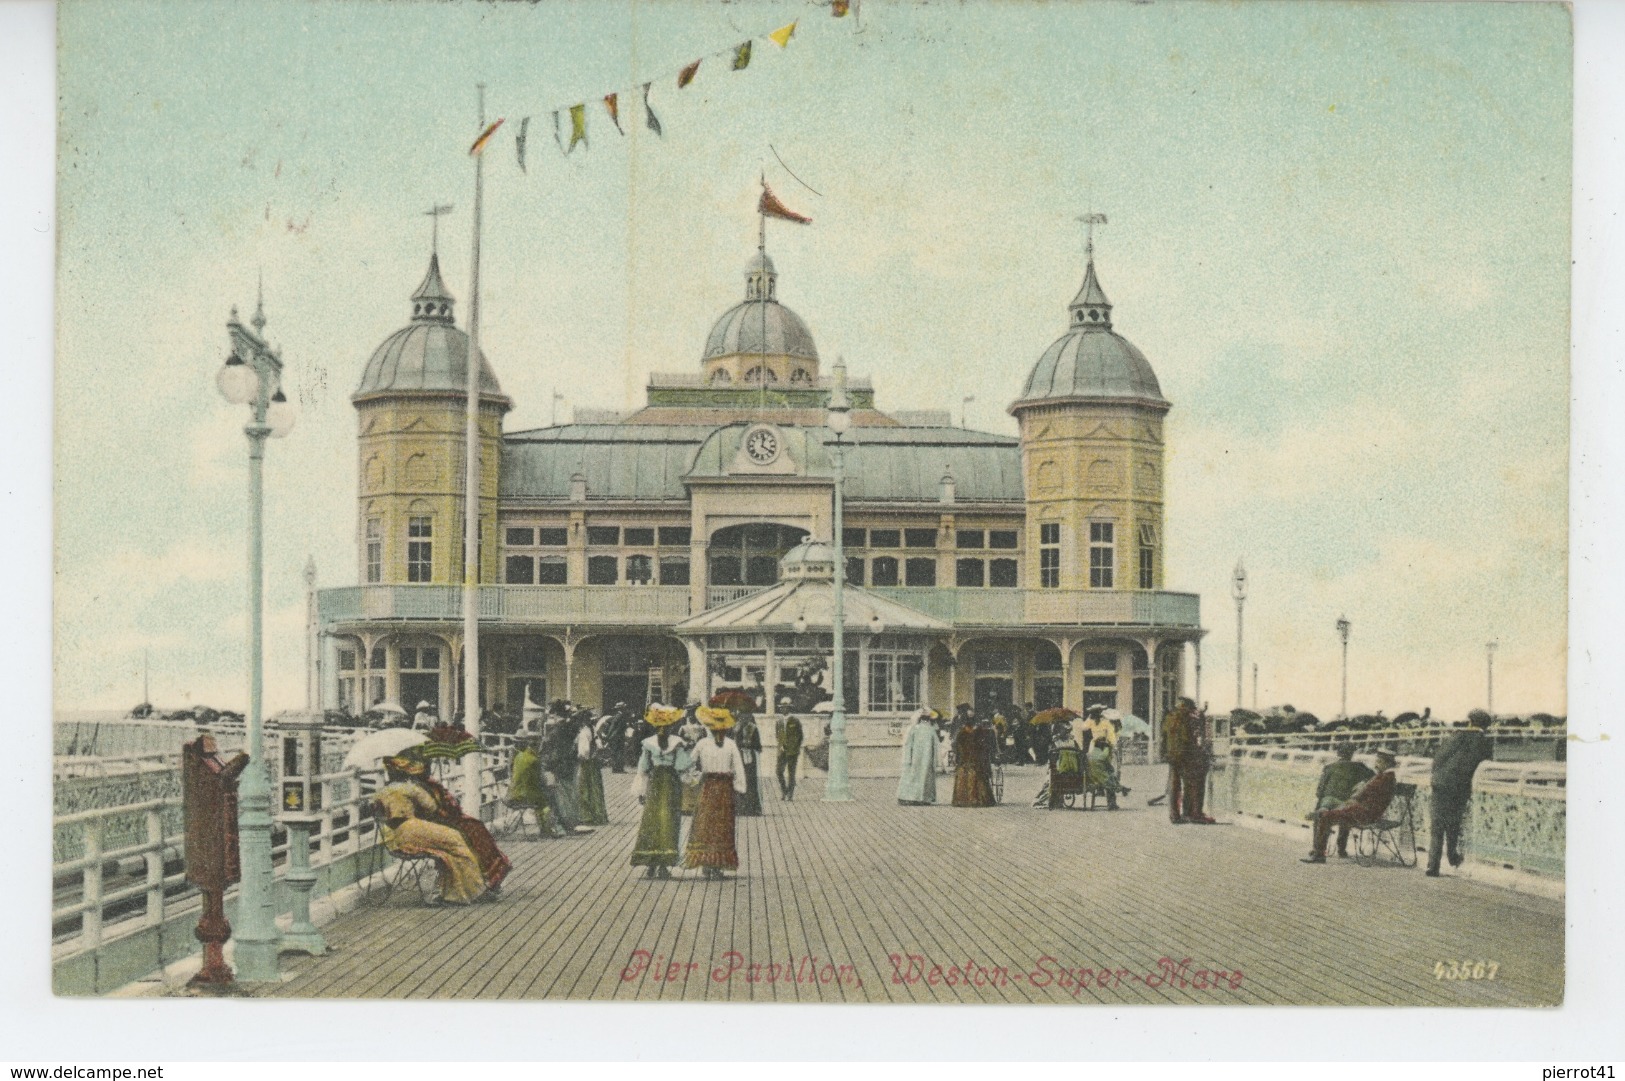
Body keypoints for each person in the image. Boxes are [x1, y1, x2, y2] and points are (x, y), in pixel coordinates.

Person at [388, 752, 512, 891]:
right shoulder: (412, 788)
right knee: (472, 830)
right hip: (432, 824)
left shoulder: (423, 785)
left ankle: (487, 879)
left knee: (475, 827)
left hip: (437, 820)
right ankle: (481, 881)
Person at [373, 765, 487, 905]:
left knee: (449, 846)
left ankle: (451, 890)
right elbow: (431, 807)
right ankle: (466, 890)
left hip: (394, 837)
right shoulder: (410, 787)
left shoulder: (381, 792)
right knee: (456, 840)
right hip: (411, 828)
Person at [1426, 710, 1495, 876]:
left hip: (1439, 783)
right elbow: (1485, 765)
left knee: (1437, 827)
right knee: (1453, 824)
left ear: (1470, 722)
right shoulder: (1484, 741)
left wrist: (1438, 776)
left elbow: (1438, 758)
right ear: (1485, 726)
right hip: (1458, 787)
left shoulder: (1456, 735)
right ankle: (1452, 857)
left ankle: (1432, 865)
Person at [1303, 749, 1399, 863]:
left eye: (1378, 761)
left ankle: (1319, 854)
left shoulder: (1382, 778)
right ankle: (1336, 846)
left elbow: (1360, 795)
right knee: (1334, 811)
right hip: (1367, 812)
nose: (1375, 764)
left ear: (1385, 763)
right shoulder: (1387, 777)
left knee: (1326, 816)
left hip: (1364, 814)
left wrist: (1360, 788)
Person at [684, 707, 748, 879]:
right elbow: (688, 763)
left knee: (722, 825)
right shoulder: (702, 743)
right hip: (708, 787)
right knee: (706, 823)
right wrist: (695, 778)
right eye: (714, 727)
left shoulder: (730, 744)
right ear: (709, 728)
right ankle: (706, 862)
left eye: (721, 727)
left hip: (725, 789)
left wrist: (739, 787)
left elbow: (738, 767)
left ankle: (718, 864)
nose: (718, 730)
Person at [631, 708, 691, 878]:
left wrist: (640, 790)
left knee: (652, 820)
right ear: (671, 726)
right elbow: (682, 765)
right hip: (670, 782)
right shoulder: (677, 742)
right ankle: (664, 865)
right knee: (668, 821)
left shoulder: (649, 743)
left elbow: (642, 768)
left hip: (655, 782)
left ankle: (651, 863)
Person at [1163, 698, 1214, 824]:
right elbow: (1197, 738)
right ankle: (1193, 813)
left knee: (1174, 785)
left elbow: (1163, 738)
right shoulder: (1190, 718)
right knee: (1193, 784)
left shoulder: (1169, 718)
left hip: (1172, 755)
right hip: (1187, 756)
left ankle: (1174, 815)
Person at [896, 708, 939, 805]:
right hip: (926, 758)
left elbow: (908, 744)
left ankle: (908, 797)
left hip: (914, 757)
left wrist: (907, 758)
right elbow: (935, 746)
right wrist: (935, 761)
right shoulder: (931, 730)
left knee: (912, 776)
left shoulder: (914, 729)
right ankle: (924, 798)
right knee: (924, 777)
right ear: (929, 720)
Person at [575, 709, 610, 826]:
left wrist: (579, 757)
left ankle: (586, 816)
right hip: (594, 763)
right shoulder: (593, 730)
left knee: (584, 788)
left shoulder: (584, 733)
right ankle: (598, 814)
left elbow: (584, 751)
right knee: (595, 788)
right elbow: (599, 745)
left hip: (586, 763)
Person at [952, 715, 996, 807]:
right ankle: (976, 799)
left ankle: (962, 799)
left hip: (964, 760)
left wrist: (958, 758)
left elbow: (957, 747)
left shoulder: (961, 733)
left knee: (963, 777)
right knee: (977, 777)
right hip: (975, 760)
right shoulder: (978, 732)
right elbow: (982, 747)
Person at [1088, 709, 1123, 810]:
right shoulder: (1107, 729)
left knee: (1112, 775)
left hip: (1111, 755)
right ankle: (1111, 802)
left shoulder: (1111, 729)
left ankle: (1111, 801)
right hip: (1107, 755)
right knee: (1110, 775)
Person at [735, 709, 764, 816]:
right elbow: (735, 743)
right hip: (739, 757)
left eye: (746, 716)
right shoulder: (736, 727)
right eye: (742, 716)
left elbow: (758, 745)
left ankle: (752, 808)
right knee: (740, 780)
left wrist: (750, 744)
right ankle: (740, 807)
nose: (744, 718)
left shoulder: (753, 728)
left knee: (750, 781)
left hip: (750, 757)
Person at [775, 712, 804, 800]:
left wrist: (794, 747)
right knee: (779, 771)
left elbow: (800, 736)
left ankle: (790, 793)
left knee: (791, 773)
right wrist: (781, 745)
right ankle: (784, 790)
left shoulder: (795, 721)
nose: (784, 708)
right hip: (782, 751)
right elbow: (777, 735)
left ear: (789, 708)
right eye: (782, 707)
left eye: (786, 706)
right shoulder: (779, 721)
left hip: (792, 751)